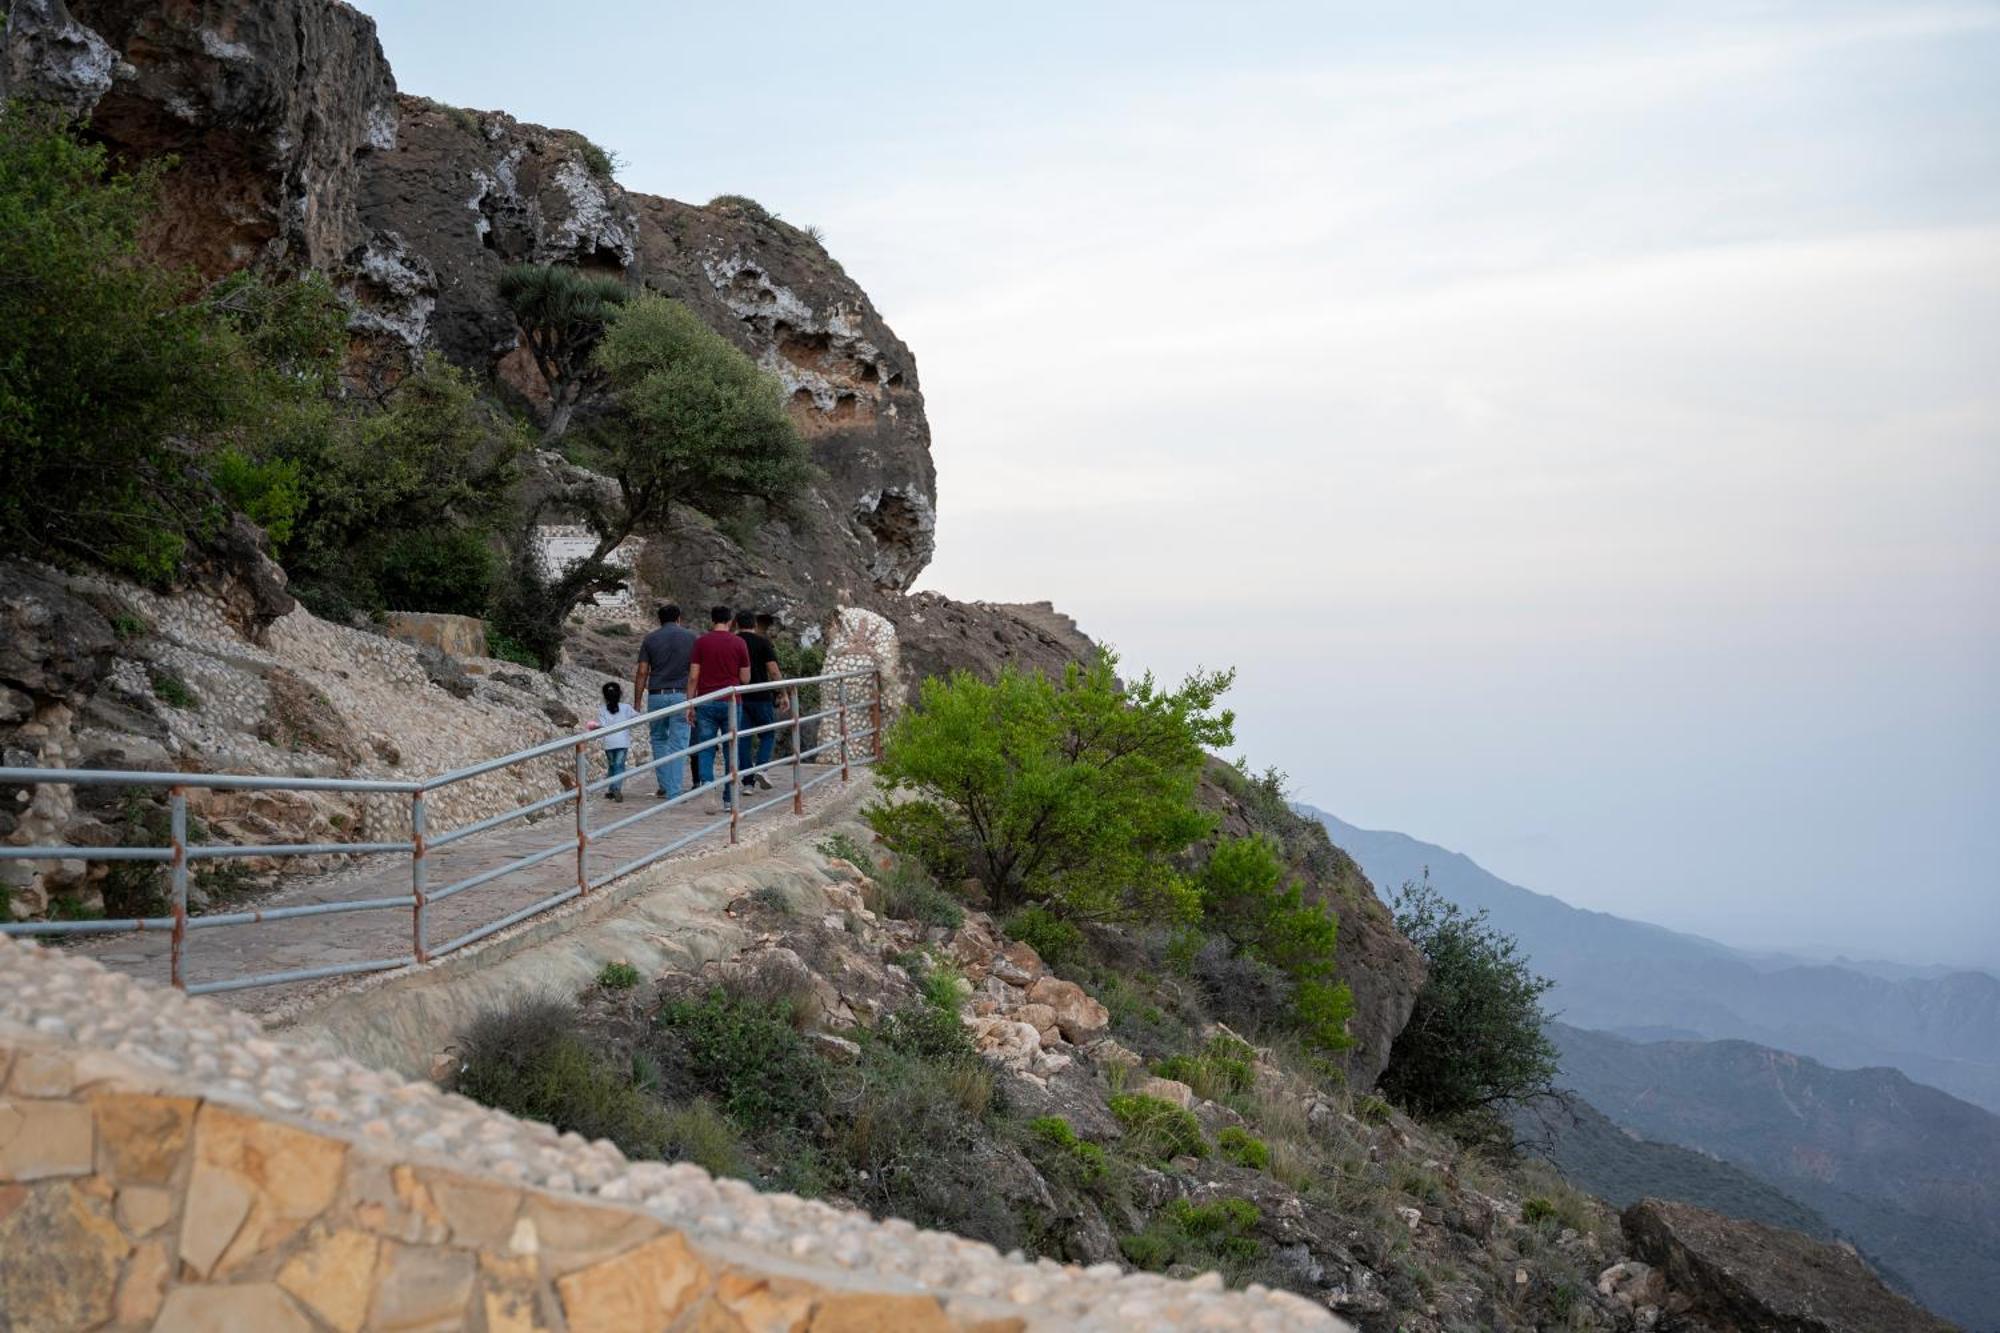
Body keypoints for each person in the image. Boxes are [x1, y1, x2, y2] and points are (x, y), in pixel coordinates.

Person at [686, 605, 751, 812]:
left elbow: (694, 675)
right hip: (732, 701)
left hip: (706, 701)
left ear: (712, 620)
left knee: (706, 746)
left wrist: (690, 703)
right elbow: (745, 678)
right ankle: (729, 798)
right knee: (731, 747)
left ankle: (707, 785)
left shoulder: (701, 642)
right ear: (730, 621)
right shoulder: (739, 642)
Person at [633, 604, 696, 801]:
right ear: (679, 619)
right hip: (681, 695)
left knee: (659, 739)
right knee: (679, 744)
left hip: (656, 695)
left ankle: (665, 785)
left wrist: (637, 702)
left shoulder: (650, 639)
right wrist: (693, 699)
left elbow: (642, 672)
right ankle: (674, 790)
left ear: (659, 620)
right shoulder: (691, 638)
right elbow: (695, 671)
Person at [735, 611, 783, 792]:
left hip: (739, 697)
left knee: (743, 739)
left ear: (737, 624)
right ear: (754, 624)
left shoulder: (734, 642)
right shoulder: (763, 642)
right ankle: (762, 768)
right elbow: (774, 671)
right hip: (761, 696)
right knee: (768, 734)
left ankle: (747, 783)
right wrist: (783, 692)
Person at [591, 682, 639, 801]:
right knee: (619, 766)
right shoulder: (626, 708)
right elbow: (637, 717)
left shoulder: (602, 709)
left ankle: (612, 789)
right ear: (620, 694)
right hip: (622, 742)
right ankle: (616, 788)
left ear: (605, 696)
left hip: (609, 742)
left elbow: (602, 725)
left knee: (612, 766)